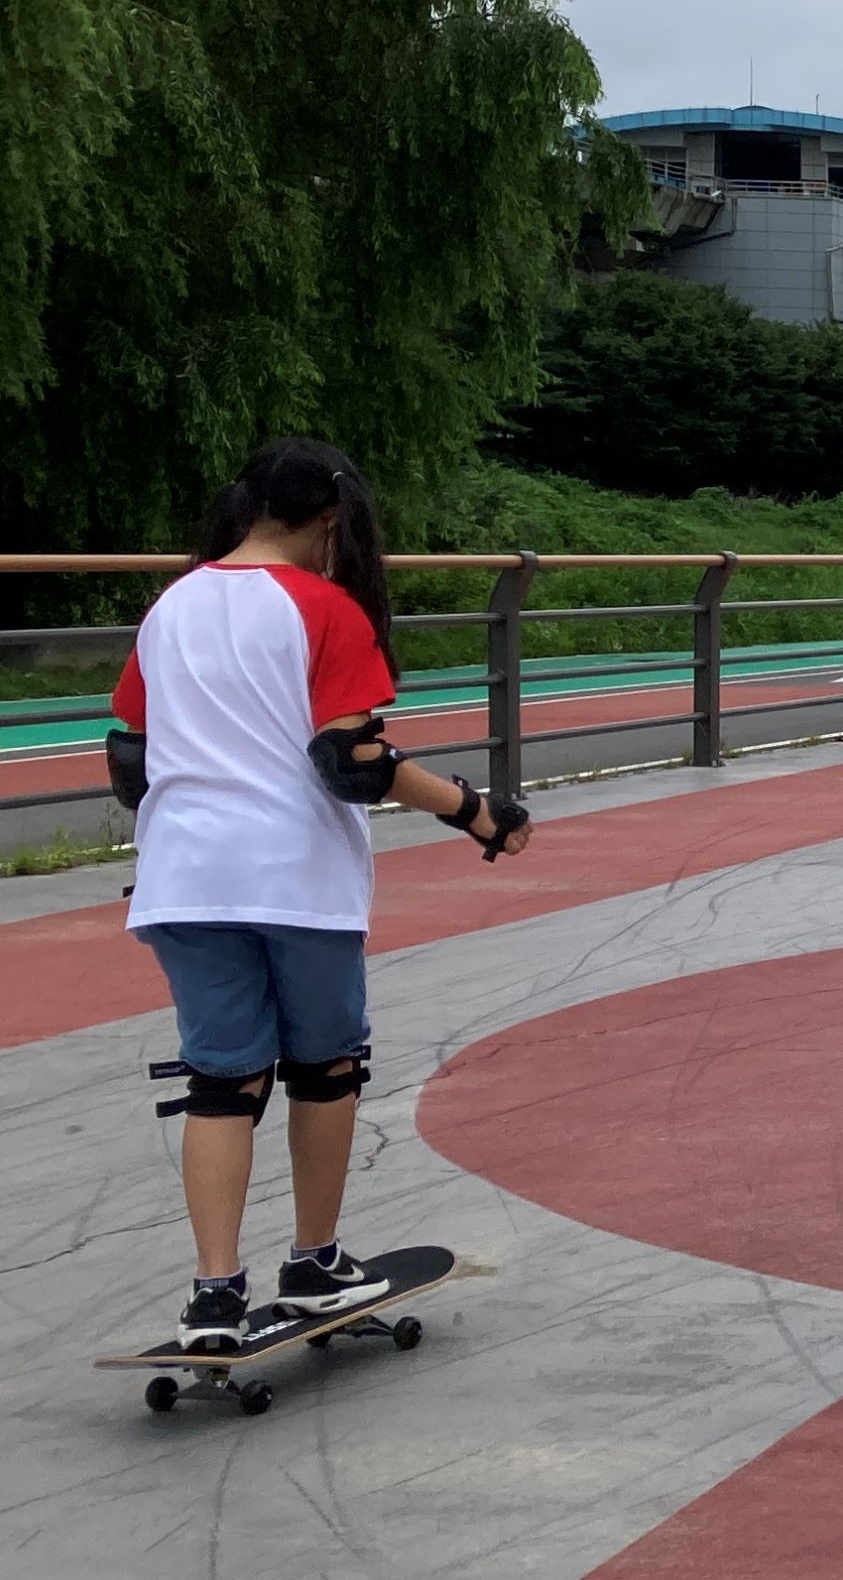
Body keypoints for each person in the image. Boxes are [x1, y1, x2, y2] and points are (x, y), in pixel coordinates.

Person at [103, 441, 533, 1354]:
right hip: (295, 880)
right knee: (324, 1066)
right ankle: (313, 1265)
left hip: (183, 880)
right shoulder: (324, 608)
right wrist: (478, 814)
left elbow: (131, 758)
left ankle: (214, 1296)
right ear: (331, 518)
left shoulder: (171, 605)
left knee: (219, 1079)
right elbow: (354, 764)